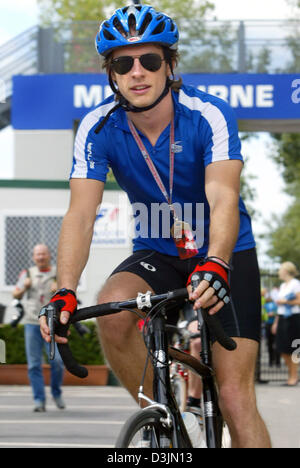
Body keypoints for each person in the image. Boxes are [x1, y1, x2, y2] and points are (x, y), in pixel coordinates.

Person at [39, 5, 271, 447]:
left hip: (225, 252)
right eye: (123, 63)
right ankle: (161, 417)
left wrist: (217, 261)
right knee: (112, 309)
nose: (138, 72)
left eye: (150, 60)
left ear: (170, 65)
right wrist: (64, 289)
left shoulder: (209, 114)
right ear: (112, 73)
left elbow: (222, 195)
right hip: (158, 252)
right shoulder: (98, 126)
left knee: (237, 399)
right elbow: (81, 215)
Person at [13, 244, 65, 412]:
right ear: (34, 257)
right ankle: (39, 400)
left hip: (52, 324)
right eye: (37, 254)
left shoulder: (58, 273)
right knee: (34, 365)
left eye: (43, 254)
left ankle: (56, 393)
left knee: (57, 362)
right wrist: (24, 287)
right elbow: (15, 294)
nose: (40, 257)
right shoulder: (27, 273)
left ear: (49, 255)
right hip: (31, 323)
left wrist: (59, 290)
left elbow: (70, 292)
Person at [272, 262, 300, 386]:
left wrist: (285, 301)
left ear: (286, 271)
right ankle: (292, 375)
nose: (279, 272)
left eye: (280, 270)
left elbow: (299, 301)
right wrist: (275, 323)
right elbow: (280, 307)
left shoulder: (296, 284)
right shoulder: (283, 285)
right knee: (282, 348)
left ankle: (293, 377)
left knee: (294, 349)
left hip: (294, 318)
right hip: (282, 318)